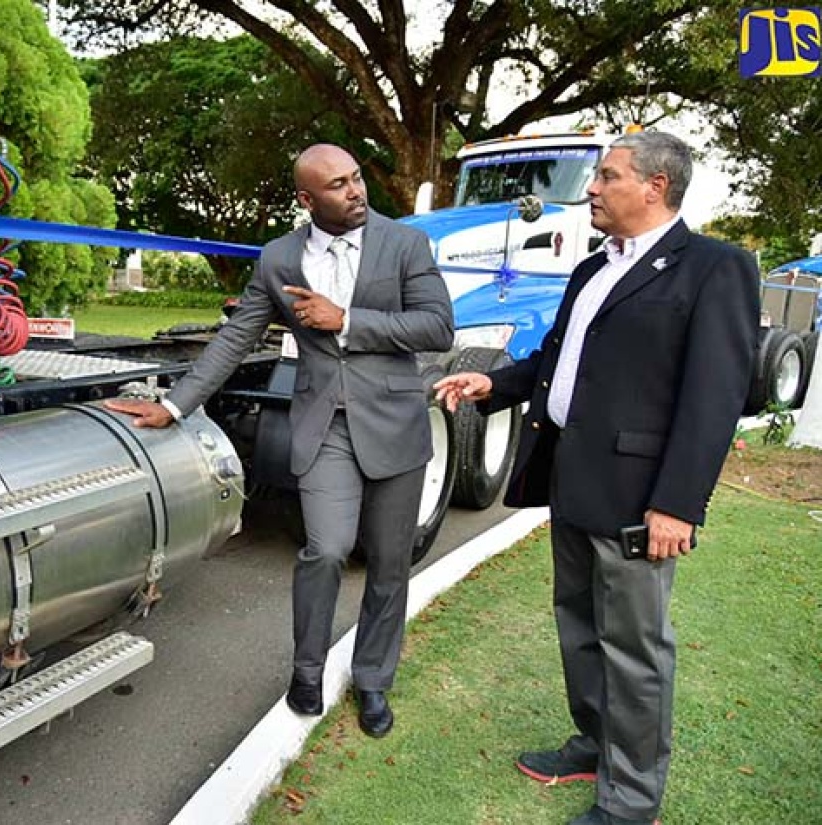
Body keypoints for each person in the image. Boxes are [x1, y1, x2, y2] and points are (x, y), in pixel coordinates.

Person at [435, 131, 759, 825]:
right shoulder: (591, 269)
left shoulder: (714, 268)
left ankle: (631, 800)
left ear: (655, 187)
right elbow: (558, 364)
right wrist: (492, 382)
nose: (591, 187)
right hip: (573, 482)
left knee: (636, 651)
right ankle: (594, 741)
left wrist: (678, 504)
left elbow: (714, 397)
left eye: (607, 176)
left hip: (640, 501)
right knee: (578, 627)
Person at [105, 144, 453, 737]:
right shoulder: (278, 259)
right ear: (307, 199)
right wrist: (173, 405)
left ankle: (372, 679)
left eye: (356, 178)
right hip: (324, 428)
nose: (356, 191)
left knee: (391, 564)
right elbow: (235, 338)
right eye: (338, 185)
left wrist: (347, 320)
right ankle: (308, 670)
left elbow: (437, 326)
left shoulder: (405, 244)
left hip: (395, 425)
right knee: (326, 548)